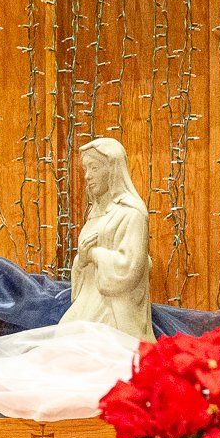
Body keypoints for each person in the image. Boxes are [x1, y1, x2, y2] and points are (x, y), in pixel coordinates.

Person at [60, 137, 155, 342]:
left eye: (94, 168)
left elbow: (129, 267)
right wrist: (82, 260)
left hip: (115, 316)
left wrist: (94, 254)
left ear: (112, 169)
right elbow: (83, 263)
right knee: (61, 345)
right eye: (86, 169)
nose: (87, 176)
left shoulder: (131, 213)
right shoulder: (95, 214)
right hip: (88, 304)